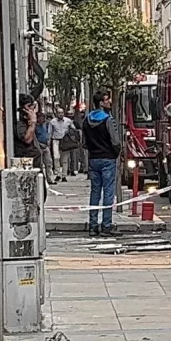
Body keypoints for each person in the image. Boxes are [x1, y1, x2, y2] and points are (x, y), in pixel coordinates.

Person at [83, 90, 124, 236]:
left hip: (93, 158)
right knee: (108, 192)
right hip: (107, 159)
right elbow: (115, 141)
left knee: (95, 192)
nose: (109, 102)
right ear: (101, 103)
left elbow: (84, 142)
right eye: (107, 100)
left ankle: (93, 225)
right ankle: (106, 225)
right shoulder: (108, 120)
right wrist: (116, 153)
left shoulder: (87, 120)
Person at [50, 110, 75, 180]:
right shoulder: (52, 122)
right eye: (59, 113)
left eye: (62, 113)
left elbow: (73, 129)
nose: (60, 114)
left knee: (65, 159)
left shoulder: (68, 121)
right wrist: (49, 141)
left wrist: (70, 133)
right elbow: (50, 132)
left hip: (65, 141)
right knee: (56, 157)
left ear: (64, 113)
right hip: (56, 140)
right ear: (56, 114)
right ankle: (58, 174)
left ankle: (64, 175)